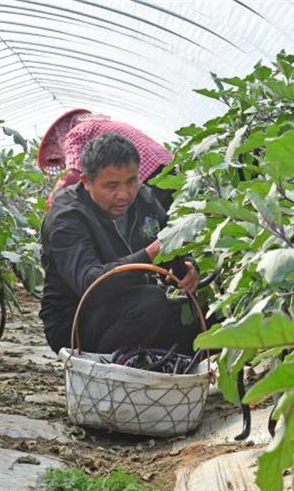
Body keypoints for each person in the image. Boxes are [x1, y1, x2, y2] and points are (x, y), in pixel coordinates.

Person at [39, 132, 200, 356]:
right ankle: (112, 374)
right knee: (150, 303)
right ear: (86, 182)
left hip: (127, 304)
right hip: (73, 322)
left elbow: (170, 246)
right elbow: (89, 283)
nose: (124, 194)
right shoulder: (67, 216)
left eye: (131, 181)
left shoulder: (143, 198)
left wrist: (188, 268)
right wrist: (151, 253)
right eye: (111, 185)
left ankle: (165, 375)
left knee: (199, 314)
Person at [37, 109, 174, 210]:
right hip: (171, 166)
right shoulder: (100, 125)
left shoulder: (75, 133)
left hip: (149, 177)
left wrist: (53, 200)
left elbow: (73, 173)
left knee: (154, 232)